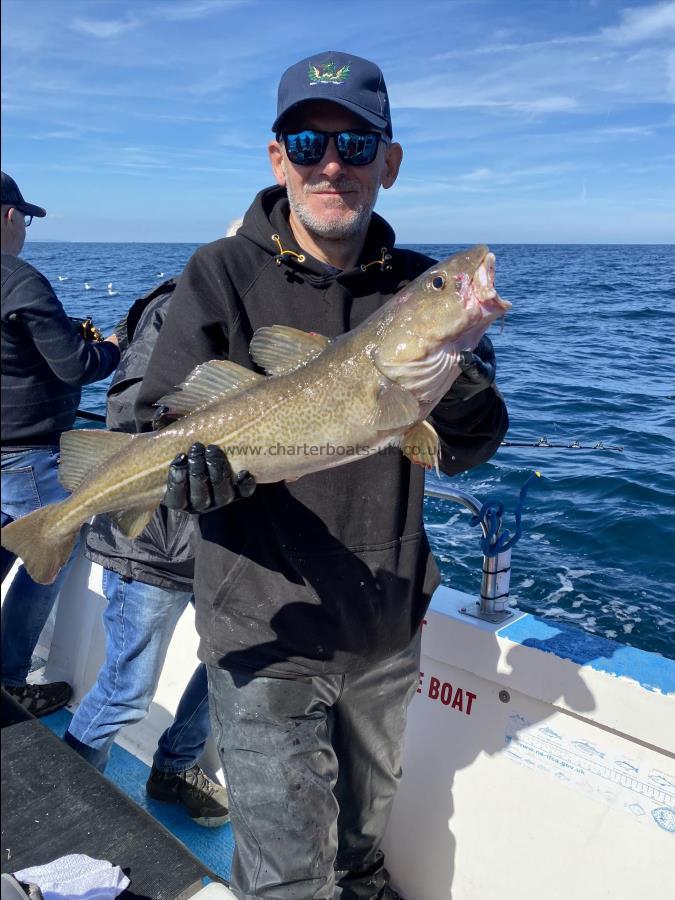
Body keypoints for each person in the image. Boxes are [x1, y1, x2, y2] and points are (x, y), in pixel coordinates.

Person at [136, 51, 508, 899]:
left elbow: (469, 444)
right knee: (287, 878)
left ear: (390, 160)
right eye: (307, 142)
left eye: (355, 142)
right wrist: (185, 465)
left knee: (362, 831)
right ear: (278, 158)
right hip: (266, 634)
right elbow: (153, 412)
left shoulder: (422, 289)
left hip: (386, 624)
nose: (330, 164)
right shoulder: (220, 271)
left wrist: (458, 369)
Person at [63, 279, 229, 827]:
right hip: (154, 540)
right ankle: (65, 803)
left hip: (227, 539)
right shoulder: (180, 304)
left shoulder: (260, 314)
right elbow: (127, 407)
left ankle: (175, 765)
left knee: (233, 665)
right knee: (126, 690)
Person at [1, 171, 120, 717]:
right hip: (29, 456)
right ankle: (8, 680)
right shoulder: (21, 281)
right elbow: (74, 367)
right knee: (50, 558)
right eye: (23, 218)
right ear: (8, 217)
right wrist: (115, 347)